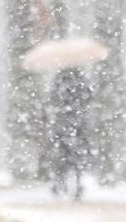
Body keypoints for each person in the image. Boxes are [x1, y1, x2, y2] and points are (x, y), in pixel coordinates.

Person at [47, 67, 92, 200]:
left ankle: (61, 184)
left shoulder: (60, 79)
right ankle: (73, 184)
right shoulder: (80, 78)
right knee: (74, 156)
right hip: (76, 124)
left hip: (66, 124)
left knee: (63, 156)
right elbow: (88, 97)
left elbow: (53, 98)